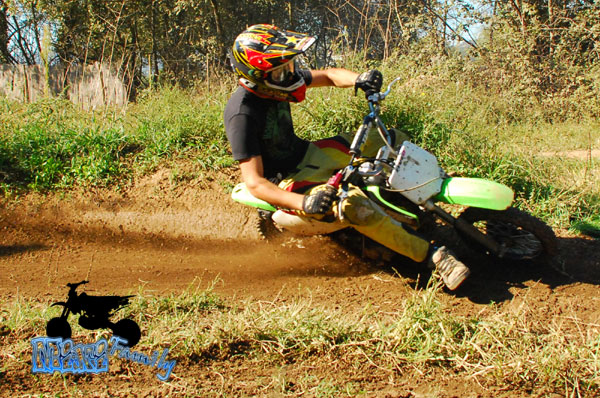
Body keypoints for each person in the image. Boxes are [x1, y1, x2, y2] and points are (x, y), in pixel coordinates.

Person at [224, 24, 470, 290]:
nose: (292, 74)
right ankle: (433, 256)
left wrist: (359, 78)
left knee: (392, 137)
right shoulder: (242, 115)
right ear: (257, 75)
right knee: (353, 204)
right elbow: (255, 183)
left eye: (291, 65)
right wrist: (305, 202)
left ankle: (427, 190)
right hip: (289, 180)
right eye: (282, 70)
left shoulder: (277, 79)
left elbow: (329, 75)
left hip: (308, 153)